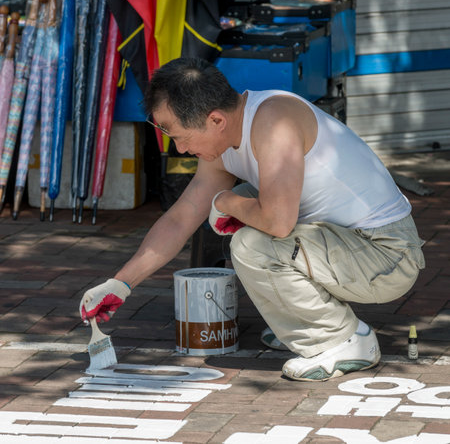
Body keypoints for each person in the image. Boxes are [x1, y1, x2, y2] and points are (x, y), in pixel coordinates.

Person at [80, 57, 425, 381]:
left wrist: (227, 201)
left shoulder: (274, 122)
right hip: (348, 247)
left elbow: (277, 223)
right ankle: (307, 324)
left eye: (177, 134)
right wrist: (121, 284)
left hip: (387, 255)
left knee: (252, 242)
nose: (180, 148)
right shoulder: (223, 141)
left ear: (215, 120)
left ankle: (345, 340)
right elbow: (180, 219)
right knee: (247, 209)